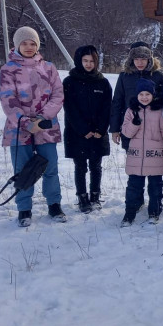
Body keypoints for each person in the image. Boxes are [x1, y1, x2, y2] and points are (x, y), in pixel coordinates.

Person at [0, 26, 65, 227]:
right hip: (19, 129)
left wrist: (42, 119)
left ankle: (54, 204)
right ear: (17, 45)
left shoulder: (49, 68)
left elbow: (58, 94)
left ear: (37, 45)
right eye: (24, 43)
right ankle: (24, 209)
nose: (29, 47)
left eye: (32, 43)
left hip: (46, 127)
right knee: (23, 170)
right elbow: (7, 98)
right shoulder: (8, 69)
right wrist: (26, 123)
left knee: (50, 168)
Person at [120, 79, 163, 226]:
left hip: (155, 158)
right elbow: (126, 133)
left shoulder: (159, 112)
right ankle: (129, 214)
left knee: (155, 188)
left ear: (153, 95)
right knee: (133, 188)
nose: (144, 97)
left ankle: (154, 212)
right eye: (141, 94)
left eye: (147, 94)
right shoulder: (131, 111)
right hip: (136, 158)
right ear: (137, 95)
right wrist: (135, 123)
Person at [62, 45, 112, 212]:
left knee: (96, 166)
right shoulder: (70, 82)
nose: (88, 64)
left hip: (98, 134)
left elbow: (107, 108)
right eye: (85, 61)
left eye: (92, 61)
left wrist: (100, 129)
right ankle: (82, 198)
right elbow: (70, 109)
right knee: (80, 166)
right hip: (78, 133)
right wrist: (83, 130)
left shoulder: (103, 82)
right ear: (79, 61)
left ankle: (95, 196)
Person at [110, 42, 163, 150]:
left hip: (153, 129)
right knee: (134, 163)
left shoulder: (157, 76)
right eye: (136, 59)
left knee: (153, 163)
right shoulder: (124, 76)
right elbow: (117, 102)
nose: (139, 62)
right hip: (130, 127)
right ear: (131, 59)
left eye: (143, 59)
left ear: (149, 59)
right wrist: (115, 129)